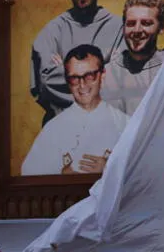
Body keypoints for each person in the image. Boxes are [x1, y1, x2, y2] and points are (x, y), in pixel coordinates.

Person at [30, 0, 123, 126]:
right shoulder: (52, 31)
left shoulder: (120, 28)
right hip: (62, 126)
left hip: (106, 126)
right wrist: (104, 71)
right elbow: (46, 82)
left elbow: (122, 80)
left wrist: (65, 70)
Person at [22, 44, 129, 175]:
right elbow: (29, 174)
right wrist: (62, 175)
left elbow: (144, 175)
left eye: (89, 76)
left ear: (102, 75)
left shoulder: (124, 125)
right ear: (67, 81)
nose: (82, 85)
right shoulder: (53, 129)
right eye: (74, 78)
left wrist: (110, 169)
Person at [102, 0, 164, 116]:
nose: (137, 30)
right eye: (131, 23)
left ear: (161, 27)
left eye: (146, 23)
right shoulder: (106, 74)